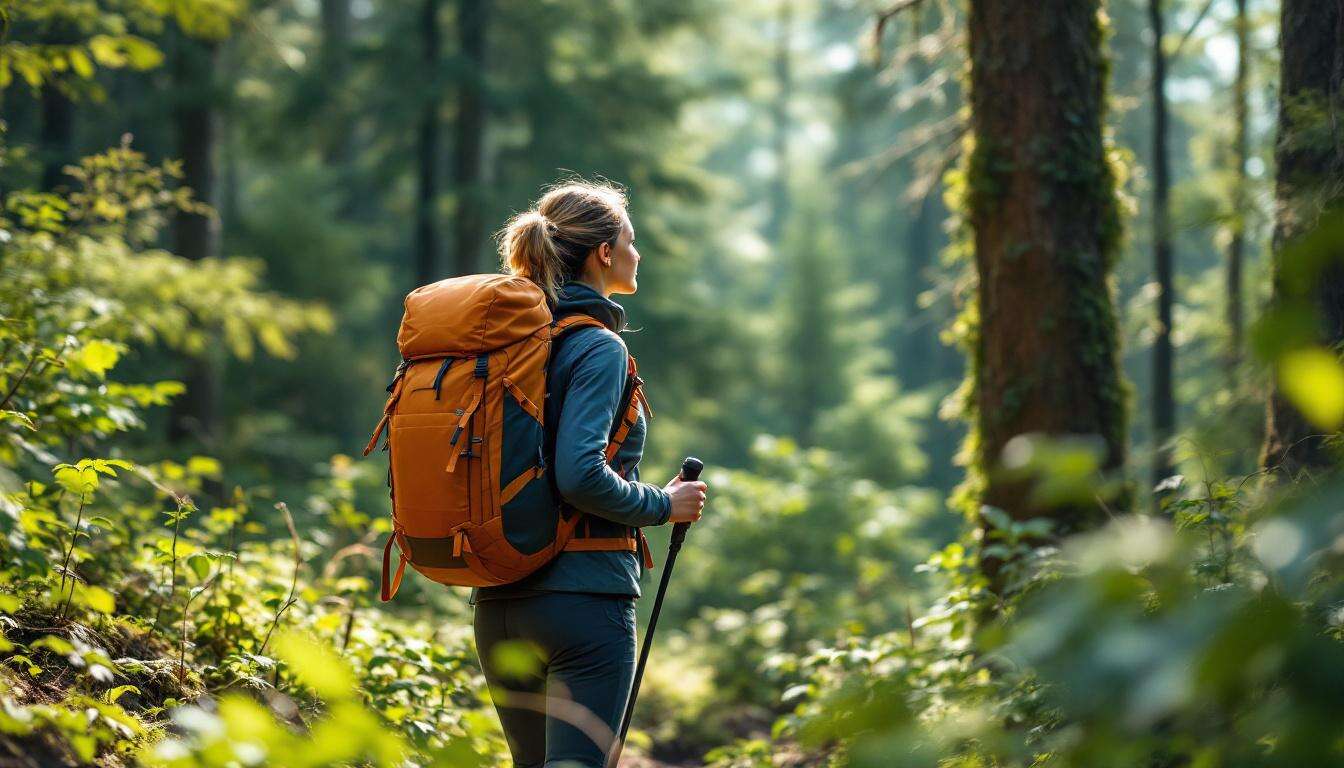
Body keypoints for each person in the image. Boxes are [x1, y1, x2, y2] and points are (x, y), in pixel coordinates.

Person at [471, 179, 708, 768]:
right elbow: (579, 475)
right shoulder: (597, 346)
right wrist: (662, 504)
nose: (637, 251)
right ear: (603, 253)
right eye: (630, 239)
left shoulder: (511, 345)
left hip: (499, 601)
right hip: (583, 600)